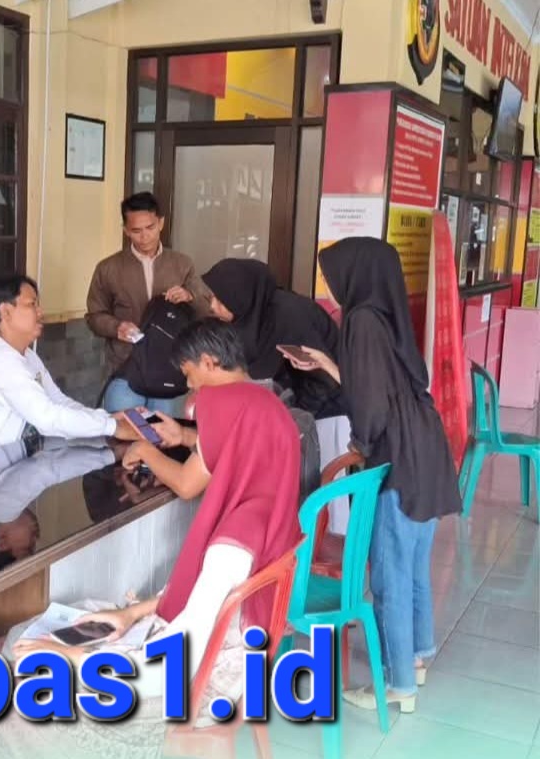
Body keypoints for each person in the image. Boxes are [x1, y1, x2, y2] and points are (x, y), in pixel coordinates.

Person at [0, 320, 302, 759]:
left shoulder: (232, 545)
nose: (190, 390)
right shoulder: (267, 449)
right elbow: (210, 599)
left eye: (190, 376)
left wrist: (76, 661)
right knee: (52, 629)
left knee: (3, 669)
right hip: (234, 652)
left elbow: (172, 666)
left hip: (190, 683)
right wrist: (130, 613)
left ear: (210, 362)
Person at [284, 237, 462, 713]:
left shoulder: (360, 320)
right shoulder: (386, 315)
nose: (330, 283)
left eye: (331, 274)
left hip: (399, 456)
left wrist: (359, 446)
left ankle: (398, 683)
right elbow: (380, 387)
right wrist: (327, 364)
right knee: (413, 564)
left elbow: (373, 409)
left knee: (388, 575)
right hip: (427, 449)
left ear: (355, 275)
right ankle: (416, 658)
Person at [202, 257, 352, 530]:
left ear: (240, 295)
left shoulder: (289, 315)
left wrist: (292, 418)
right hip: (296, 415)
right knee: (299, 493)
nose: (213, 306)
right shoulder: (253, 317)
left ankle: (331, 548)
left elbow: (322, 379)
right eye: (210, 298)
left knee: (326, 494)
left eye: (220, 300)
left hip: (327, 411)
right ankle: (301, 547)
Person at [0, 275, 136, 461]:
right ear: (6, 312)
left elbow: (58, 401)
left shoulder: (26, 355)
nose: (40, 312)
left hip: (6, 461)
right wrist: (112, 427)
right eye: (31, 304)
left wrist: (105, 419)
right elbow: (47, 418)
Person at [86, 191, 212, 414]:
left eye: (150, 228)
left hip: (170, 366)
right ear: (126, 230)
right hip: (126, 366)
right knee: (126, 430)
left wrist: (189, 295)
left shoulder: (182, 264)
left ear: (161, 223)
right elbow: (94, 316)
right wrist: (116, 327)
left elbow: (207, 308)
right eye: (136, 231)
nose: (144, 236)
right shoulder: (108, 268)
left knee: (165, 432)